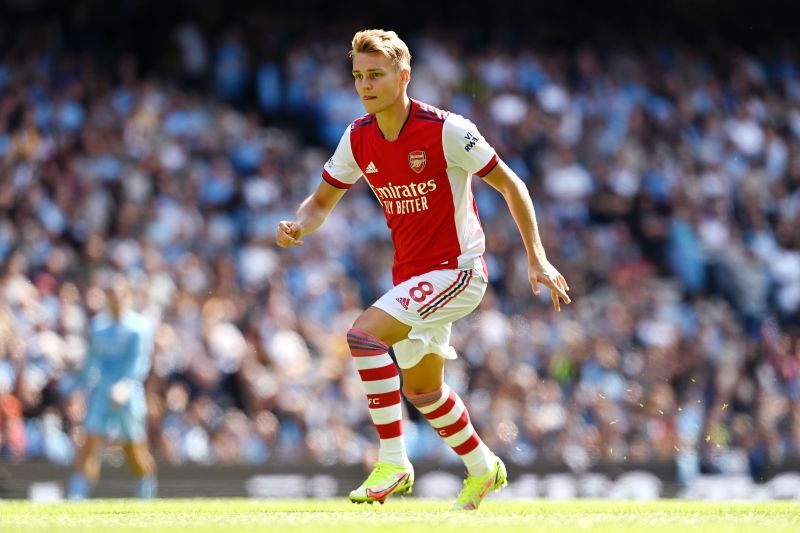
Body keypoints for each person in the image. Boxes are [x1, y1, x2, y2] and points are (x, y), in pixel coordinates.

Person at [276, 29, 570, 510]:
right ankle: (483, 467)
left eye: (376, 74)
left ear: (403, 75)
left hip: (458, 272)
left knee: (364, 336)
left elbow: (512, 185)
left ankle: (394, 460)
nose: (365, 85)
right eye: (358, 76)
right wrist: (297, 226)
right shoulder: (358, 137)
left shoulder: (446, 129)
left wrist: (537, 258)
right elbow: (321, 201)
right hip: (412, 278)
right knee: (422, 389)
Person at [67, 277, 158, 499]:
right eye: (111, 296)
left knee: (134, 450)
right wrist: (79, 390)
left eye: (119, 296)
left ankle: (147, 498)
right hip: (102, 393)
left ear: (127, 297)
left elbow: (140, 363)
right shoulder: (99, 326)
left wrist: (125, 386)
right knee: (90, 444)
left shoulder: (139, 328)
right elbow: (92, 362)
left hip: (128, 395)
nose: (115, 301)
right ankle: (76, 499)